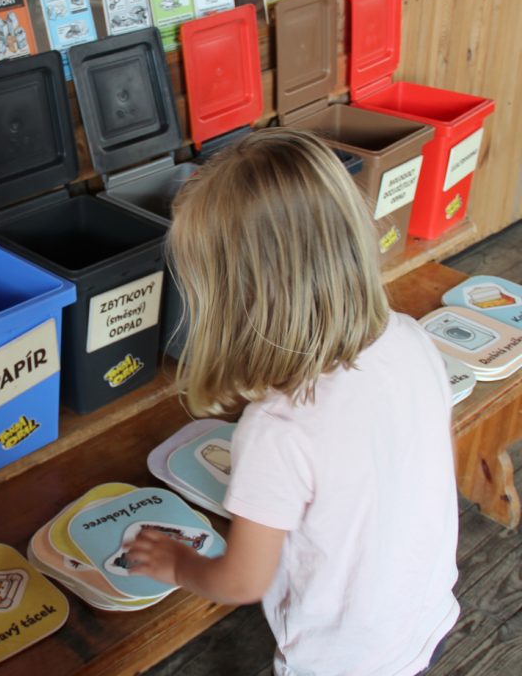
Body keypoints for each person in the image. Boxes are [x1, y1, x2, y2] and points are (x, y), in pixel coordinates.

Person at [126, 129, 458, 675]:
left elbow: (242, 581)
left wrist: (178, 563)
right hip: (422, 613)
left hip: (341, 659)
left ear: (231, 302)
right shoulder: (408, 337)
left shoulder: (278, 429)